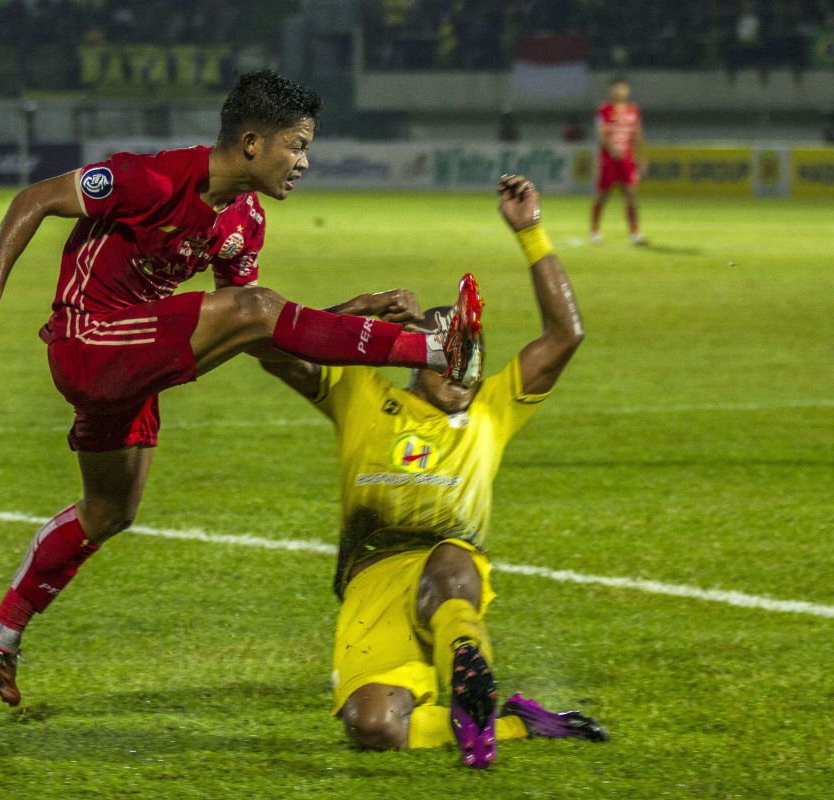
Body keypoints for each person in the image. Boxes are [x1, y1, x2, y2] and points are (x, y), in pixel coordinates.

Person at [0, 70, 482, 708]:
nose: (305, 162)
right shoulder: (147, 179)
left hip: (133, 361)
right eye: (298, 144)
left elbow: (258, 332)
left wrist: (353, 317)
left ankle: (1, 630)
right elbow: (34, 198)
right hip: (88, 342)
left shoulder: (245, 221)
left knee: (110, 511)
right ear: (253, 142)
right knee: (255, 308)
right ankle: (435, 348)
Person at [260, 175, 606, 769]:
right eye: (448, 354)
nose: (463, 371)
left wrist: (530, 233)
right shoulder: (360, 392)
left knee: (449, 563)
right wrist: (364, 310)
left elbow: (565, 334)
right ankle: (514, 724)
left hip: (446, 569)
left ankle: (469, 664)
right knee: (373, 728)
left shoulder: (493, 410)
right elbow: (271, 343)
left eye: (473, 356)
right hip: (372, 576)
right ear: (415, 354)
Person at [589, 76, 648, 246]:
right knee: (603, 195)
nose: (620, 91)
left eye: (623, 88)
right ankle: (594, 231)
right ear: (611, 90)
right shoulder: (604, 110)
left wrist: (642, 158)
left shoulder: (633, 110)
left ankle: (635, 233)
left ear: (628, 90)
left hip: (627, 159)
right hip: (609, 159)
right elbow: (600, 134)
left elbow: (637, 135)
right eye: (616, 88)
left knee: (631, 194)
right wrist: (611, 148)